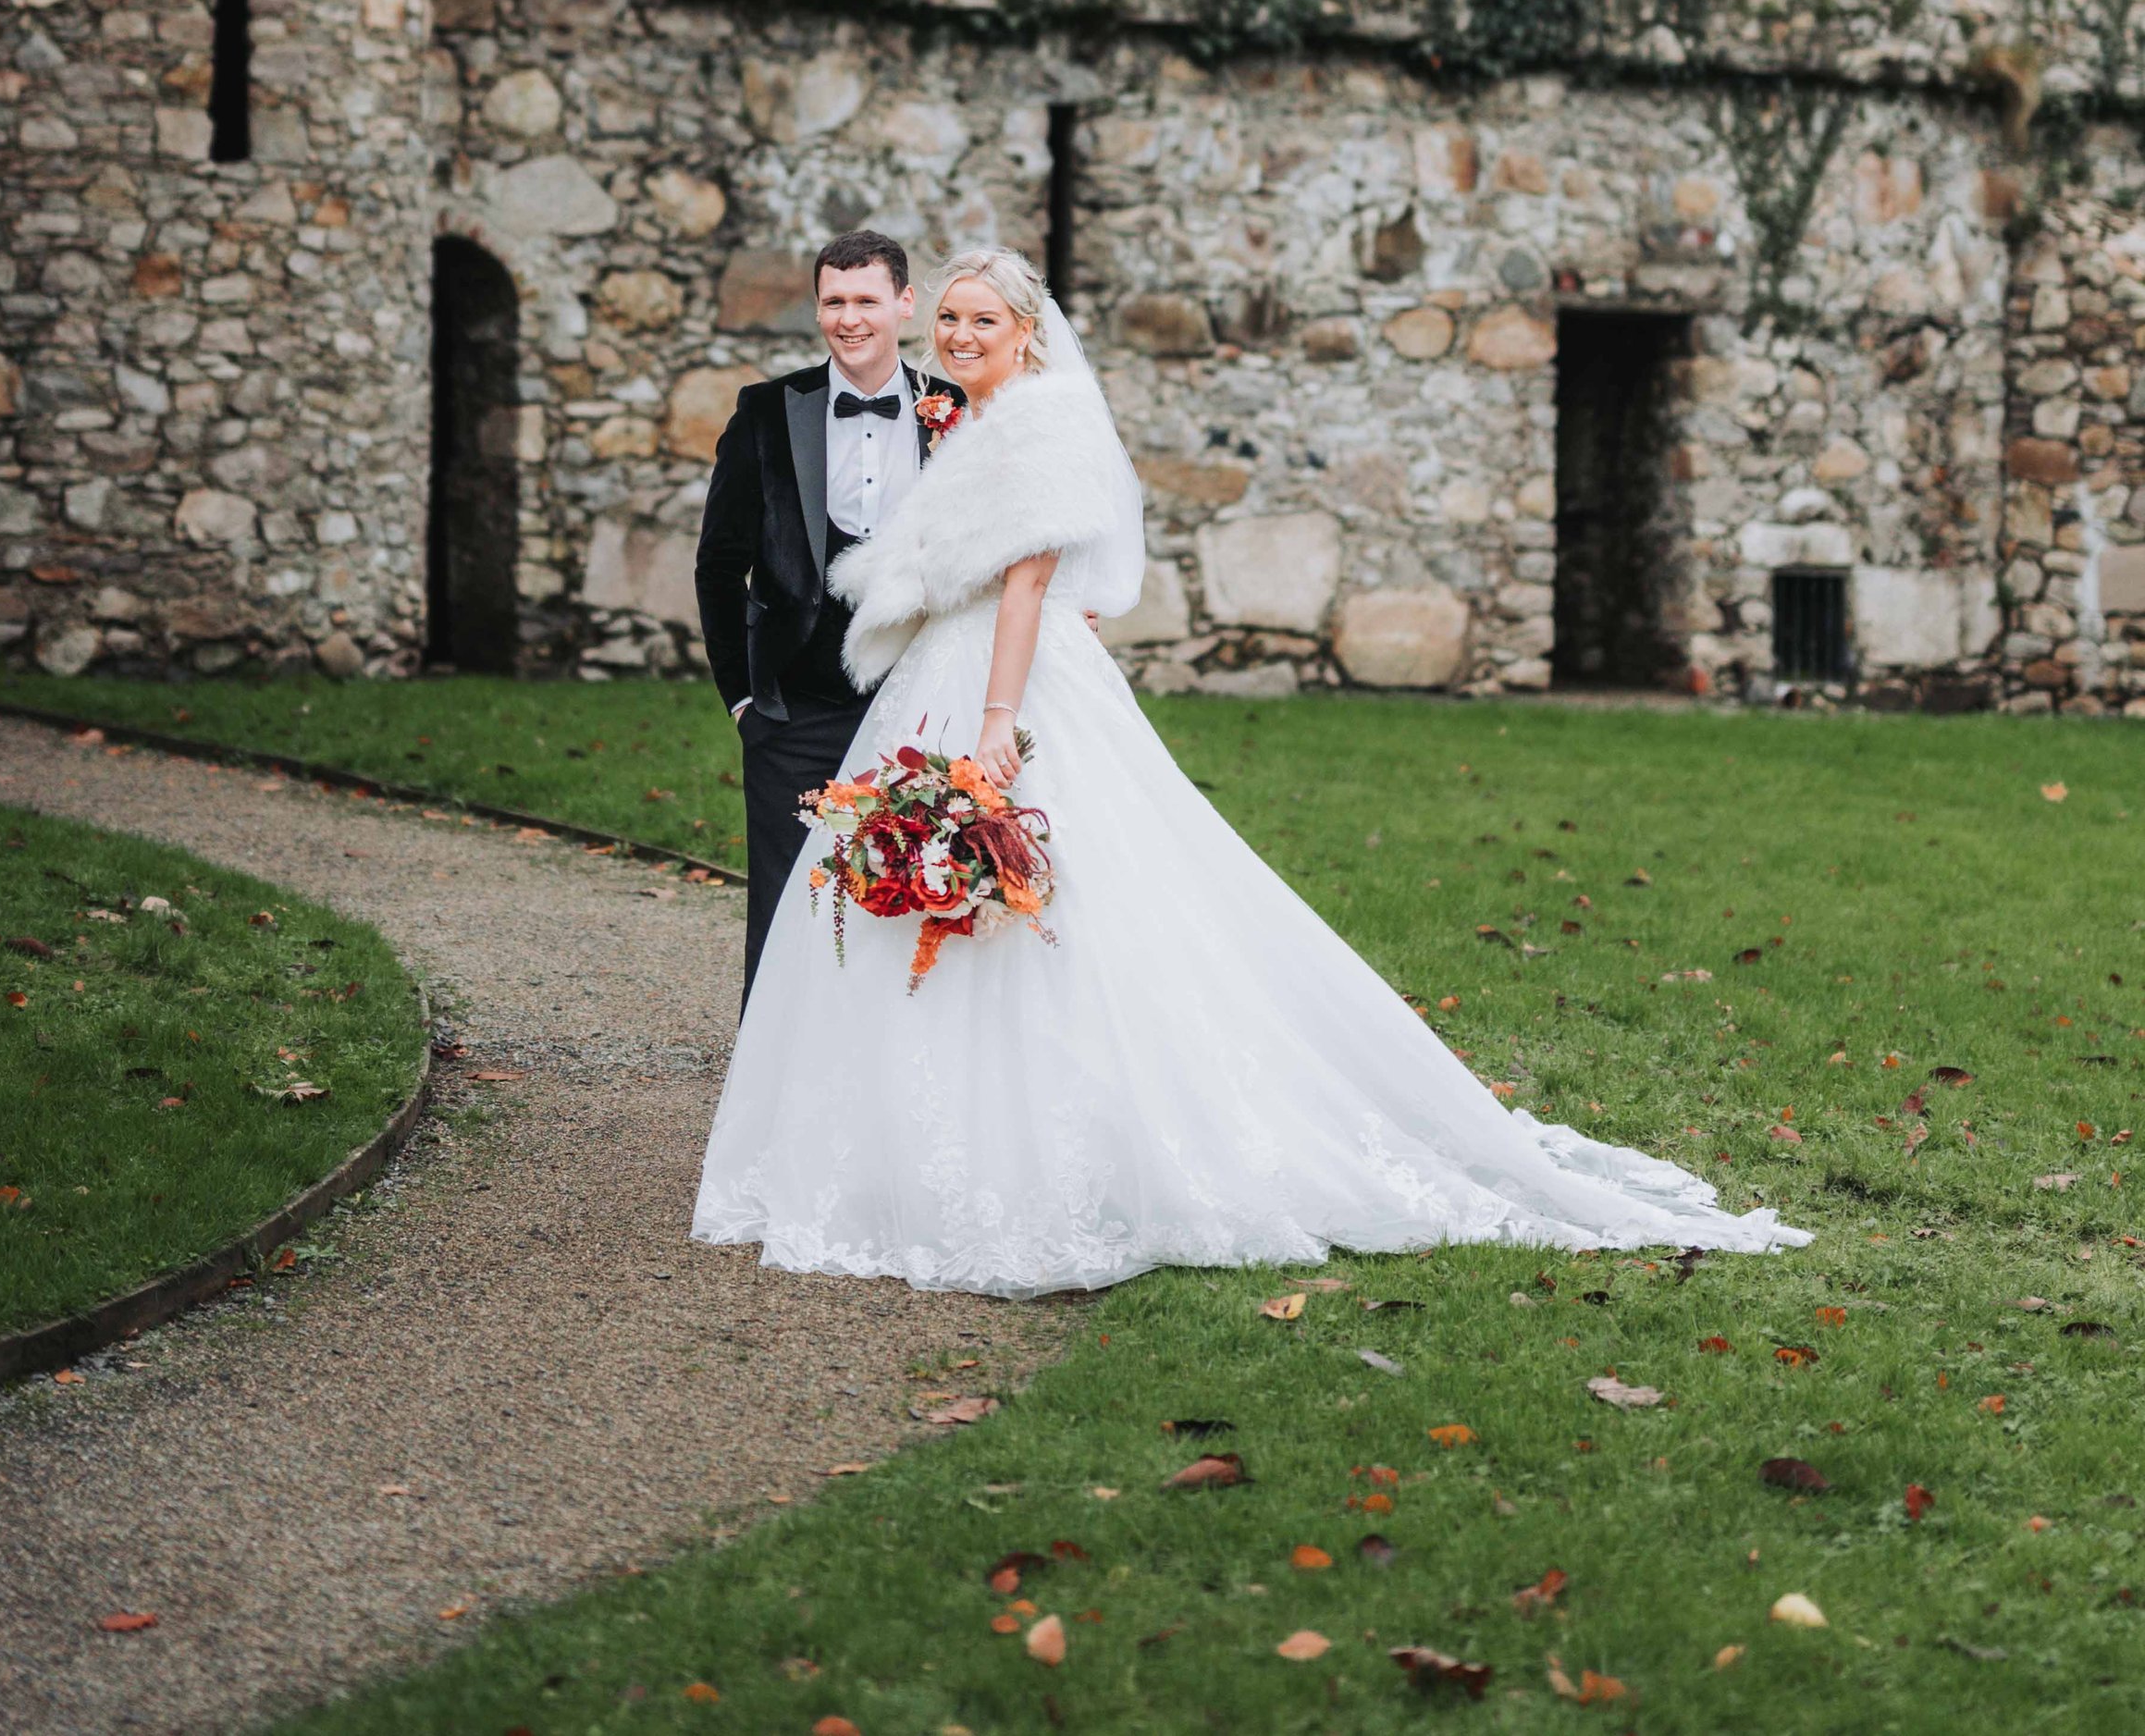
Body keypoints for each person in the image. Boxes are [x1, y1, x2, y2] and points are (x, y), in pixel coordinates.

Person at [695, 246, 1810, 1298]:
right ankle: (897, 1148)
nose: (959, 333)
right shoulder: (962, 423)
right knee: (912, 896)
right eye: (947, 318)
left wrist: (994, 721)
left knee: (1048, 902)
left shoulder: (1039, 425)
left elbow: (1029, 590)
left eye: (981, 319)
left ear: (1028, 334)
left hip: (1008, 686)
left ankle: (1069, 1147)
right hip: (934, 675)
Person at [694, 228, 963, 1003]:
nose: (850, 319)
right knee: (786, 912)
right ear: (817, 308)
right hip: (794, 711)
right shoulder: (767, 411)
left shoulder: (955, 414)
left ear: (905, 305)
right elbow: (719, 565)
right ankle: (770, 1103)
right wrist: (745, 700)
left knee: (915, 903)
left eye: (867, 301)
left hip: (919, 710)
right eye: (834, 301)